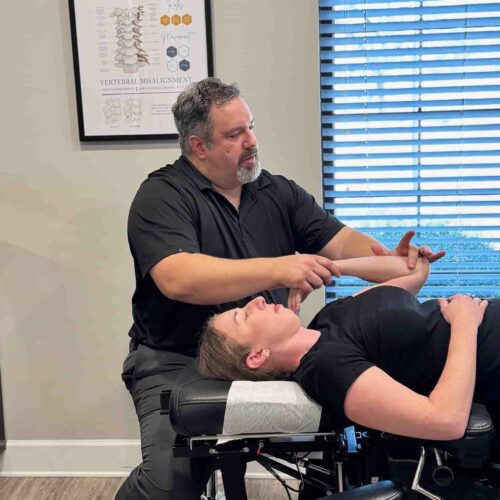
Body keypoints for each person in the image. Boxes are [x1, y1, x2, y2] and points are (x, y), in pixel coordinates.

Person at [116, 77, 445, 500]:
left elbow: (342, 242)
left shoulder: (277, 192)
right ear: (199, 146)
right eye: (235, 134)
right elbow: (178, 277)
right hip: (174, 359)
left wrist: (394, 260)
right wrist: (279, 269)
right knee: (168, 490)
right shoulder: (162, 195)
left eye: (250, 126)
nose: (252, 141)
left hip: (264, 355)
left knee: (366, 427)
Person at [198, 255, 500, 439]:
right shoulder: (325, 368)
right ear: (257, 356)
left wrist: (325, 269)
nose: (258, 300)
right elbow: (445, 421)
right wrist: (464, 325)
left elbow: (413, 272)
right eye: (245, 316)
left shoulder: (325, 320)